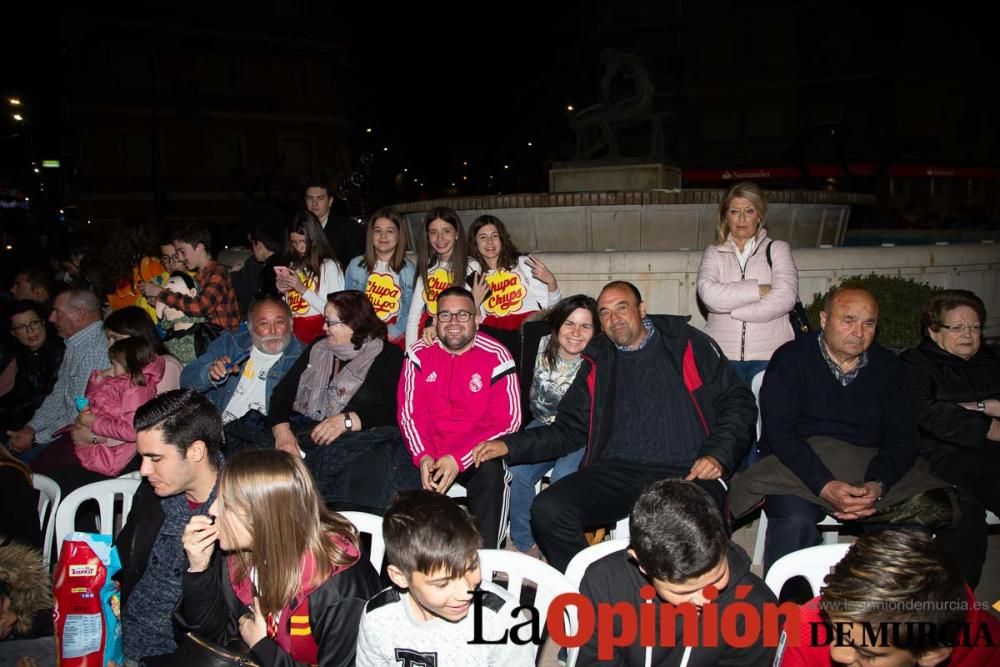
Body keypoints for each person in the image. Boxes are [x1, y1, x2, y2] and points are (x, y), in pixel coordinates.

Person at [474, 280, 756, 571]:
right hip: (618, 469)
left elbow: (738, 401)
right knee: (548, 510)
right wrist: (510, 444)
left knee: (694, 542)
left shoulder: (685, 342)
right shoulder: (598, 359)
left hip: (688, 468)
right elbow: (568, 429)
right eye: (605, 313)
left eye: (622, 308)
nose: (613, 318)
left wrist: (717, 454)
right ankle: (593, 584)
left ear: (642, 309)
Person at [740, 287, 935, 575]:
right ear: (824, 319)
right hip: (800, 467)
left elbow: (903, 436)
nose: (858, 332)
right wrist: (826, 485)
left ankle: (886, 606)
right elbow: (780, 434)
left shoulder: (890, 367)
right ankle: (788, 611)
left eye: (868, 323)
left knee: (915, 522)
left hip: (867, 465)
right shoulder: (792, 359)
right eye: (848, 320)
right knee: (794, 520)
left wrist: (877, 485)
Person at [175, 449, 381, 666]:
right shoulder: (239, 558)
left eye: (226, 503)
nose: (213, 509)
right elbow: (208, 641)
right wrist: (199, 570)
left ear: (263, 515)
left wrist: (263, 648)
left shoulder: (338, 588)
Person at [579, 480, 776, 666]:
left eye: (717, 578)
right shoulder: (604, 584)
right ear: (641, 563)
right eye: (684, 592)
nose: (705, 599)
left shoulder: (757, 607)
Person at [267, 290, 417, 509]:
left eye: (330, 322)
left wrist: (346, 420)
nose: (323, 327)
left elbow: (391, 409)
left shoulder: (388, 355)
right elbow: (281, 394)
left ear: (353, 324)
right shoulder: (318, 348)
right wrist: (283, 434)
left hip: (358, 445)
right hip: (307, 434)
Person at [398, 286, 522, 548]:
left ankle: (487, 561)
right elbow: (410, 414)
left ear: (477, 319)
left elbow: (509, 419)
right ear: (434, 320)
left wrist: (459, 458)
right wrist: (424, 456)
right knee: (391, 469)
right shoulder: (419, 353)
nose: (453, 322)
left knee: (492, 474)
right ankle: (405, 561)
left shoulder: (497, 355)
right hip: (428, 449)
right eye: (445, 315)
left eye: (463, 315)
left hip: (473, 450)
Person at [356, 489, 535, 667]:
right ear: (400, 577)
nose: (466, 592)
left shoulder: (500, 618)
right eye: (442, 584)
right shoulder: (378, 618)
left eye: (472, 567)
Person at [776, 529, 1000, 667]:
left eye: (866, 653)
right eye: (834, 630)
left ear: (932, 653)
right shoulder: (805, 626)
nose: (837, 653)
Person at [900, 289, 1000, 588]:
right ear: (933, 331)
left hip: (991, 458)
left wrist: (969, 407)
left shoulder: (992, 361)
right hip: (942, 462)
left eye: (975, 327)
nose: (968, 334)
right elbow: (923, 413)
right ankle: (955, 614)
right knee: (964, 524)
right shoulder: (915, 363)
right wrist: (988, 419)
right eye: (957, 327)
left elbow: (941, 410)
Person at [116, 389, 223, 665]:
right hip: (118, 637)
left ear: (196, 451)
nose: (143, 470)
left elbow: (222, 627)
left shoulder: (237, 511)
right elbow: (122, 561)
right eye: (142, 457)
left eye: (155, 458)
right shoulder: (153, 493)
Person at [508, 295, 598, 557]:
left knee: (563, 477)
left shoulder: (600, 358)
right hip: (543, 425)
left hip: (580, 433)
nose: (576, 333)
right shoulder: (538, 342)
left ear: (596, 332)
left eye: (585, 326)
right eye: (569, 323)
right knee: (519, 473)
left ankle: (558, 540)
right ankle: (524, 543)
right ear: (557, 325)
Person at [697, 181, 798, 387]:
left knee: (767, 418)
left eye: (749, 211)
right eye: (735, 211)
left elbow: (786, 298)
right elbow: (709, 296)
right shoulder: (714, 253)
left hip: (770, 356)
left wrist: (735, 312)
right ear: (726, 216)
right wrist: (758, 290)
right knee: (729, 418)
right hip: (722, 355)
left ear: (759, 215)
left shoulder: (778, 249)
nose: (742, 219)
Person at [180, 297, 304, 453]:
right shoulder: (231, 343)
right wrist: (209, 374)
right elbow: (186, 380)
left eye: (279, 322)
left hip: (260, 442)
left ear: (291, 324)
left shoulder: (304, 357)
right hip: (215, 434)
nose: (273, 331)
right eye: (264, 324)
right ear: (250, 327)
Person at [5, 289, 109, 459]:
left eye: (57, 312)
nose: (51, 318)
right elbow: (58, 396)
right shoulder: (74, 344)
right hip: (66, 430)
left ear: (79, 315)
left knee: (16, 465)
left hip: (89, 438)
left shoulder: (96, 350)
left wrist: (35, 438)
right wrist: (31, 428)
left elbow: (79, 416)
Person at [466, 214, 560, 362]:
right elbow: (477, 325)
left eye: (494, 236)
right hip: (497, 336)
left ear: (502, 239)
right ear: (475, 243)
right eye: (483, 237)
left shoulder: (522, 264)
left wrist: (551, 282)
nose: (489, 242)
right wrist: (475, 302)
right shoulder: (474, 274)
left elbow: (553, 309)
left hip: (528, 332)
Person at [141, 224, 241, 331]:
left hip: (225, 340)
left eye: (182, 251)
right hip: (210, 338)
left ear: (199, 248)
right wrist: (161, 303)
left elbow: (202, 307)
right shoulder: (199, 276)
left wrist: (161, 293)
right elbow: (190, 311)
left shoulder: (218, 272)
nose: (179, 257)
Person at [344, 207, 416, 348]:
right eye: (378, 231)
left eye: (389, 231)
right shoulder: (356, 266)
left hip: (395, 337)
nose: (383, 236)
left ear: (399, 235)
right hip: (362, 334)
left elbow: (412, 310)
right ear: (370, 235)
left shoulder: (409, 269)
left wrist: (391, 333)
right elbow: (348, 306)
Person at [404, 206, 471, 348]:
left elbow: (477, 314)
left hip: (462, 337)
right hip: (430, 335)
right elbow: (413, 317)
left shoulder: (471, 267)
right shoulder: (427, 268)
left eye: (446, 231)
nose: (440, 238)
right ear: (428, 237)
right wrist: (409, 354)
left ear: (457, 234)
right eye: (433, 232)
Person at [277, 211, 345, 344]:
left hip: (319, 334)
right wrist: (283, 292)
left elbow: (336, 311)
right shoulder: (294, 266)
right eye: (294, 242)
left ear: (314, 239)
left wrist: (302, 289)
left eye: (302, 242)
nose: (299, 247)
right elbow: (293, 310)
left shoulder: (329, 267)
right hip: (294, 333)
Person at [0, 302, 64, 434]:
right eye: (20, 327)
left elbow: (47, 395)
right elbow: (19, 392)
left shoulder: (59, 351)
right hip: (24, 417)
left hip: (48, 422)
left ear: (43, 322)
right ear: (13, 333)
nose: (30, 330)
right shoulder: (23, 353)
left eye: (34, 322)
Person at [304, 177, 364, 265]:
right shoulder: (299, 227)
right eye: (310, 198)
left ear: (330, 201)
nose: (314, 204)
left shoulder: (348, 227)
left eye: (320, 198)